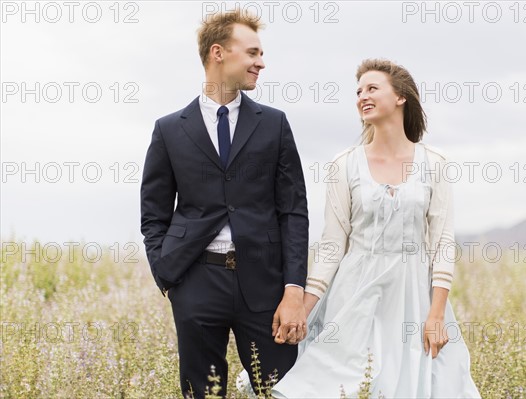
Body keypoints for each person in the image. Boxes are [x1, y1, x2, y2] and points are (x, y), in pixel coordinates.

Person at [269, 59, 481, 398]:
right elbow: (332, 245)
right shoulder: (344, 164)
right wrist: (302, 310)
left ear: (400, 97)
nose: (362, 96)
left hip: (414, 298)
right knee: (346, 383)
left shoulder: (434, 163)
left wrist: (436, 314)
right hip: (354, 294)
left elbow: (442, 241)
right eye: (358, 91)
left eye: (372, 88)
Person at [140, 10, 309, 398]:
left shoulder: (275, 124)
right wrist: (166, 275)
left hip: (265, 286)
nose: (260, 62)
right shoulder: (168, 129)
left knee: (280, 390)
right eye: (252, 52)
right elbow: (154, 213)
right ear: (218, 53)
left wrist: (294, 289)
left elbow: (293, 212)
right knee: (202, 393)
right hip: (195, 280)